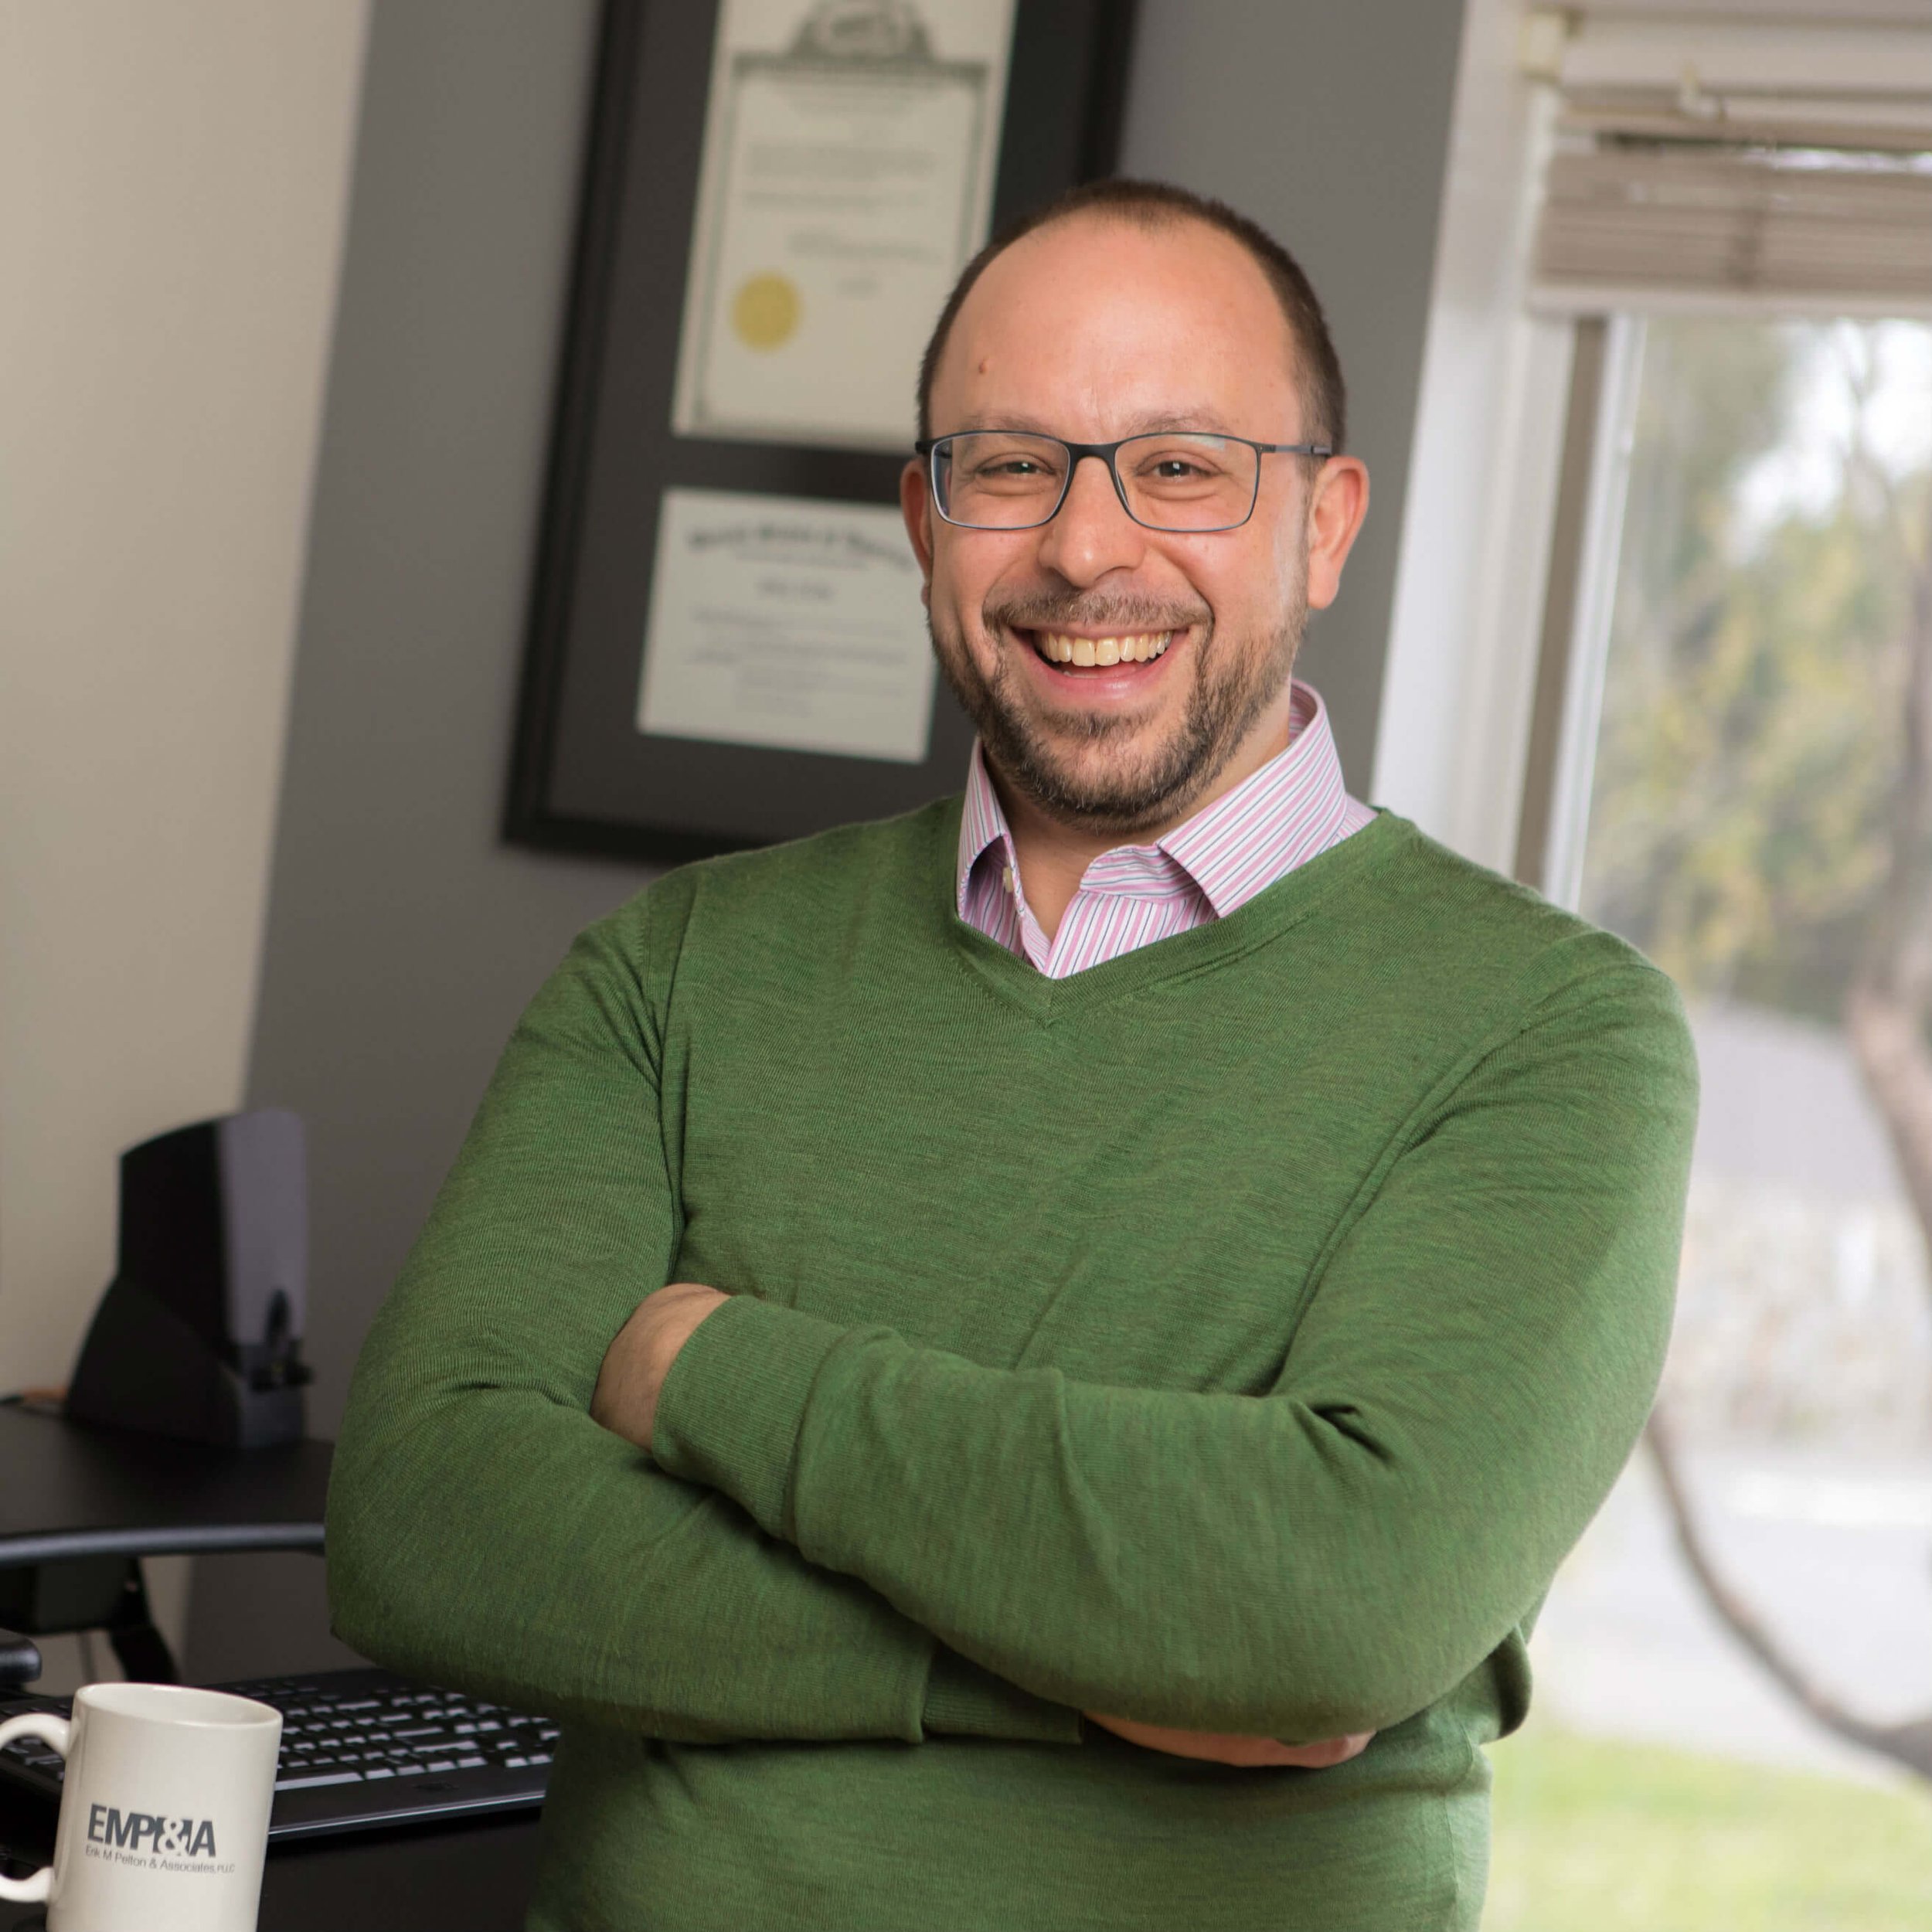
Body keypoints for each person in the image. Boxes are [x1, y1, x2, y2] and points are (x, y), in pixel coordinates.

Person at [327, 179, 1698, 1931]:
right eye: (1009, 465)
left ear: (1324, 525)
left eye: (1182, 465)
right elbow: (423, 1517)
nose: (1084, 547)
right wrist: (1120, 1671)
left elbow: (1332, 1605)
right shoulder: (676, 971)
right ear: (922, 518)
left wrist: (705, 1367)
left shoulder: (1553, 1034)